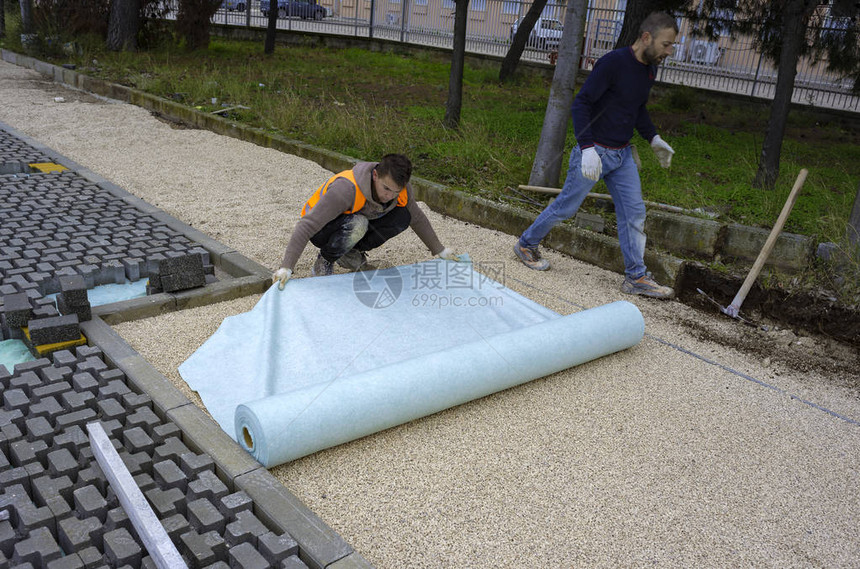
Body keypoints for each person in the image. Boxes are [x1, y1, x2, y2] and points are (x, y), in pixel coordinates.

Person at [513, 12, 679, 299]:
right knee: (566, 206)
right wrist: (587, 148)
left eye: (671, 46)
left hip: (622, 155)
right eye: (666, 44)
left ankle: (636, 277)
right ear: (646, 37)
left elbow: (637, 108)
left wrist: (653, 137)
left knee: (634, 213)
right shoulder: (613, 64)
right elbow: (582, 104)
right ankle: (526, 244)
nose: (669, 51)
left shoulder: (649, 70)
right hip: (595, 152)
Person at [273, 153, 460, 288]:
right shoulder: (346, 189)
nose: (390, 196)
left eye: (396, 191)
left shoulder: (400, 191)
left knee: (404, 216)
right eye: (386, 189)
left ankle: (350, 252)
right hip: (322, 229)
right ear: (375, 175)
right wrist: (286, 268)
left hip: (353, 226)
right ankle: (325, 259)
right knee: (358, 224)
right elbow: (306, 226)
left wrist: (440, 250)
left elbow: (417, 219)